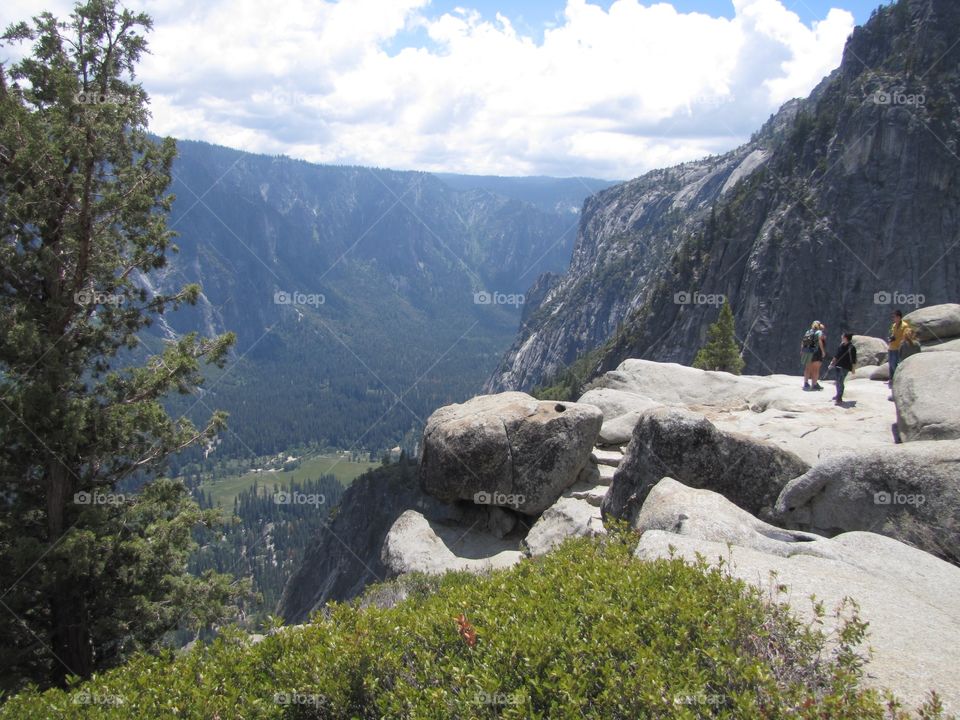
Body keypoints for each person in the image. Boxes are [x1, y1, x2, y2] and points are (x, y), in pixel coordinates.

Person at [828, 333, 857, 405]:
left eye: (843, 336)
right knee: (838, 381)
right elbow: (836, 355)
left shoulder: (851, 347)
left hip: (845, 367)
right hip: (838, 365)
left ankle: (839, 398)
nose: (841, 337)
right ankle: (838, 394)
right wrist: (832, 363)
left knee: (840, 381)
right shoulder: (841, 345)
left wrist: (853, 368)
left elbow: (853, 359)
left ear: (846, 338)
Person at [887, 310, 913, 384]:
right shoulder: (894, 325)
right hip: (891, 347)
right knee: (890, 364)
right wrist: (891, 337)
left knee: (895, 364)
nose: (893, 318)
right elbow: (892, 333)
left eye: (894, 317)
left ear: (898, 317)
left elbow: (906, 336)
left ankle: (897, 378)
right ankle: (891, 379)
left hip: (898, 347)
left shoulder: (905, 326)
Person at [802, 321, 826, 390]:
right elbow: (819, 341)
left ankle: (806, 383)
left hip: (808, 352)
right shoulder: (819, 332)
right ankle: (814, 384)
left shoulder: (808, 332)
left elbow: (804, 341)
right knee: (816, 369)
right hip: (816, 352)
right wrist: (823, 351)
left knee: (807, 368)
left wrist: (802, 350)